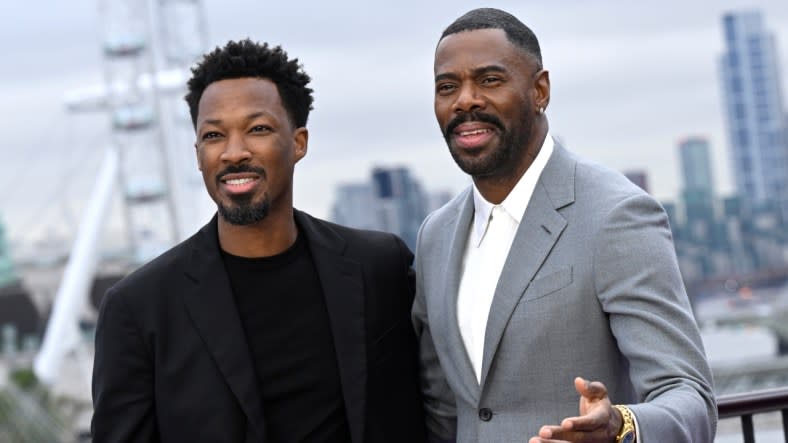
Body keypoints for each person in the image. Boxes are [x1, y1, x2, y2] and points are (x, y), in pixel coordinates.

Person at [92, 39, 426, 443]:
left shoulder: (379, 267)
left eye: (258, 129)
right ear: (198, 153)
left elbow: (444, 396)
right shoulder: (140, 308)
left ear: (299, 142)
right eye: (214, 135)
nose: (234, 153)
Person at [412, 8, 716, 443]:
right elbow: (442, 410)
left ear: (540, 91)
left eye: (490, 80)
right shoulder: (434, 236)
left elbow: (688, 394)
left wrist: (621, 427)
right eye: (447, 87)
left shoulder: (615, 215)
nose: (465, 100)